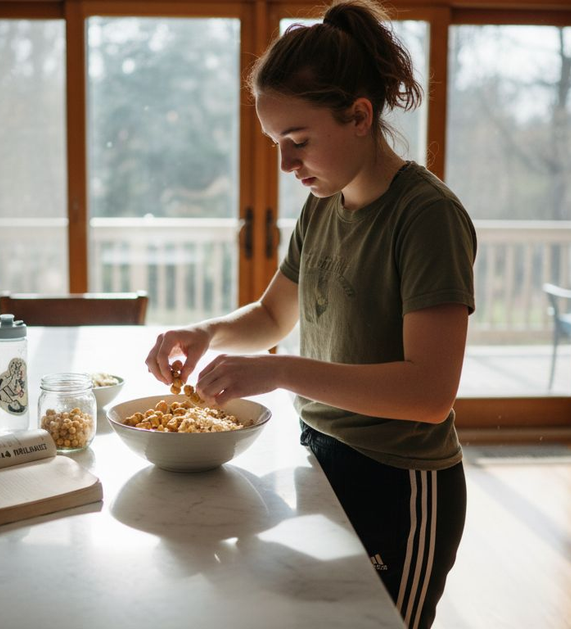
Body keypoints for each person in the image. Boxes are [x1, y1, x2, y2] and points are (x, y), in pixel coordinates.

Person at [144, 1, 475, 626]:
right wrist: (207, 331)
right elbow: (273, 313)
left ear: (358, 116)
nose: (285, 165)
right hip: (322, 456)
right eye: (276, 143)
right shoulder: (324, 204)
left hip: (402, 485)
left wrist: (279, 373)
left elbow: (430, 393)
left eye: (297, 141)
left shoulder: (426, 216)